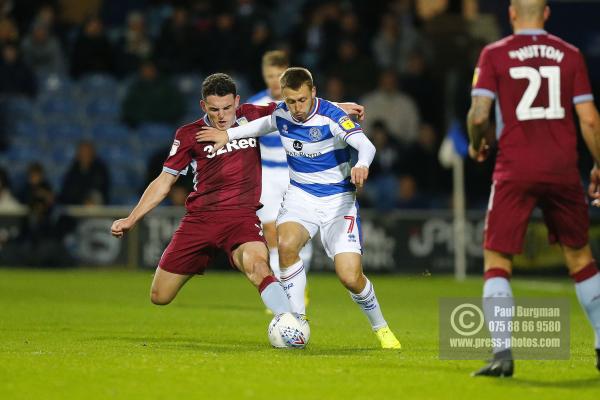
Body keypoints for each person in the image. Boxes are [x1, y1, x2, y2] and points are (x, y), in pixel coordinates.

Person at [197, 67, 401, 349]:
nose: (297, 108)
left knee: (350, 277)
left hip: (338, 202)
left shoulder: (332, 116)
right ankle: (298, 320)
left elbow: (366, 145)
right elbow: (261, 125)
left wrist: (362, 164)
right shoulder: (283, 114)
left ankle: (381, 327)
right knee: (286, 244)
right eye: (291, 101)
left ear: (313, 93)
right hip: (301, 197)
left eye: (302, 100)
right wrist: (228, 136)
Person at [467, 0, 600, 377]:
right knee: (581, 260)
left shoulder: (495, 53)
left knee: (497, 261)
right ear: (546, 14)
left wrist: (479, 142)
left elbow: (479, 114)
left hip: (515, 168)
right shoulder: (570, 55)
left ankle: (502, 355)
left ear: (511, 14)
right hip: (562, 168)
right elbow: (589, 119)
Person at [110, 73, 293, 318]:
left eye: (228, 108)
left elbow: (297, 107)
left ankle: (289, 322)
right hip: (200, 221)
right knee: (160, 296)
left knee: (259, 266)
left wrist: (337, 108)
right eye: (215, 109)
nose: (222, 115)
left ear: (237, 101)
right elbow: (165, 181)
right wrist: (131, 219)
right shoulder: (189, 134)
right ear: (203, 105)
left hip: (241, 218)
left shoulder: (251, 115)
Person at [246, 50, 313, 280]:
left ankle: (300, 287)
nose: (274, 80)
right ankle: (281, 289)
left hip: (296, 173)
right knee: (271, 232)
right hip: (267, 175)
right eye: (269, 75)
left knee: (299, 232)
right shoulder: (255, 105)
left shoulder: (300, 101)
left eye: (278, 74)